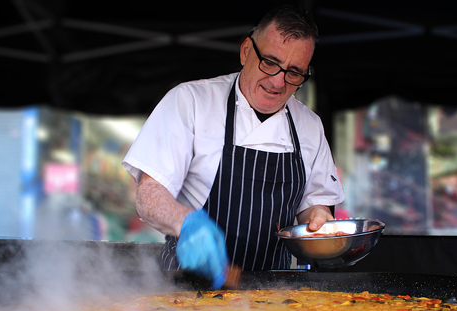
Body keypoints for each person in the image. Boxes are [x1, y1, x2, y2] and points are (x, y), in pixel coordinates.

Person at [122, 4, 344, 288]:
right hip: (184, 296)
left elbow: (315, 204)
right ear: (246, 51)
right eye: (270, 63)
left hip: (278, 301)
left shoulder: (309, 126)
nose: (278, 82)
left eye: (294, 73)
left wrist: (318, 218)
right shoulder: (191, 101)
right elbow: (149, 195)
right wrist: (186, 222)